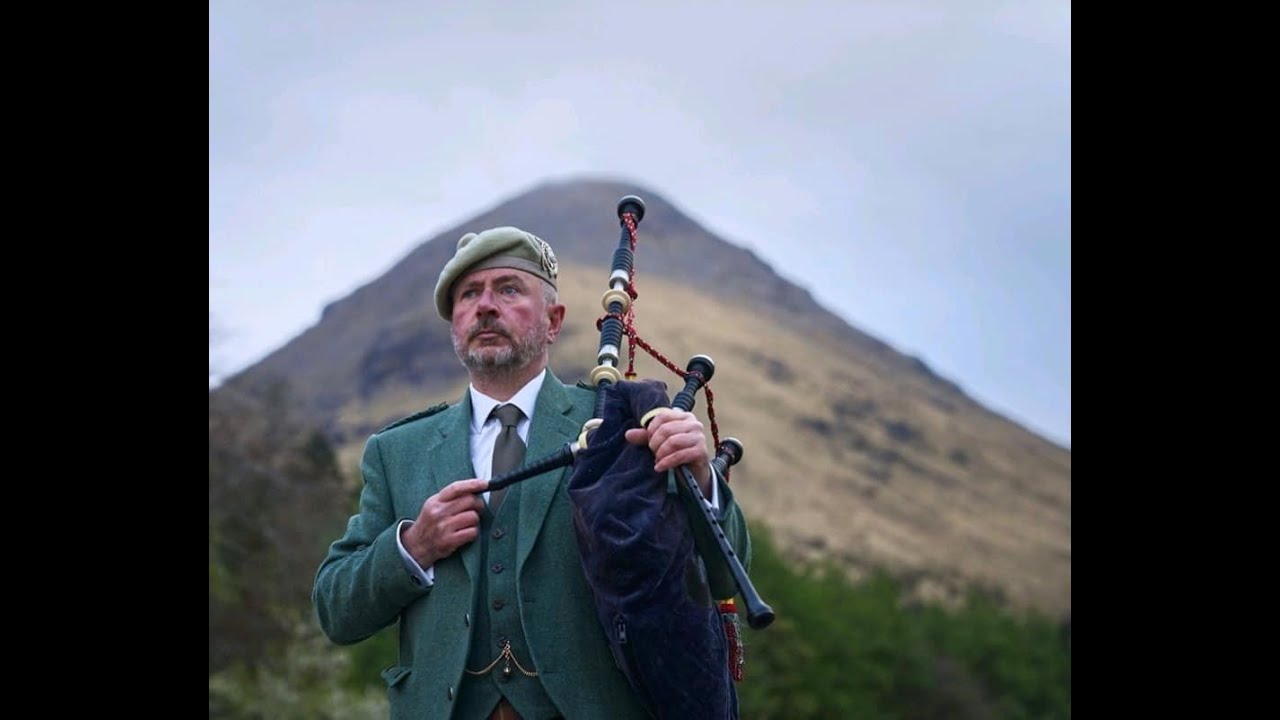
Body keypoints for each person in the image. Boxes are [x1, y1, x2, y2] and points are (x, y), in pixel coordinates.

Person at [312, 225, 753, 719]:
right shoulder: (397, 452)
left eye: (508, 289)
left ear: (553, 321)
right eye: (468, 295)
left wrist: (701, 475)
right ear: (454, 325)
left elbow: (725, 573)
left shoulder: (618, 426)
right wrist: (413, 547)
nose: (484, 306)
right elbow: (336, 610)